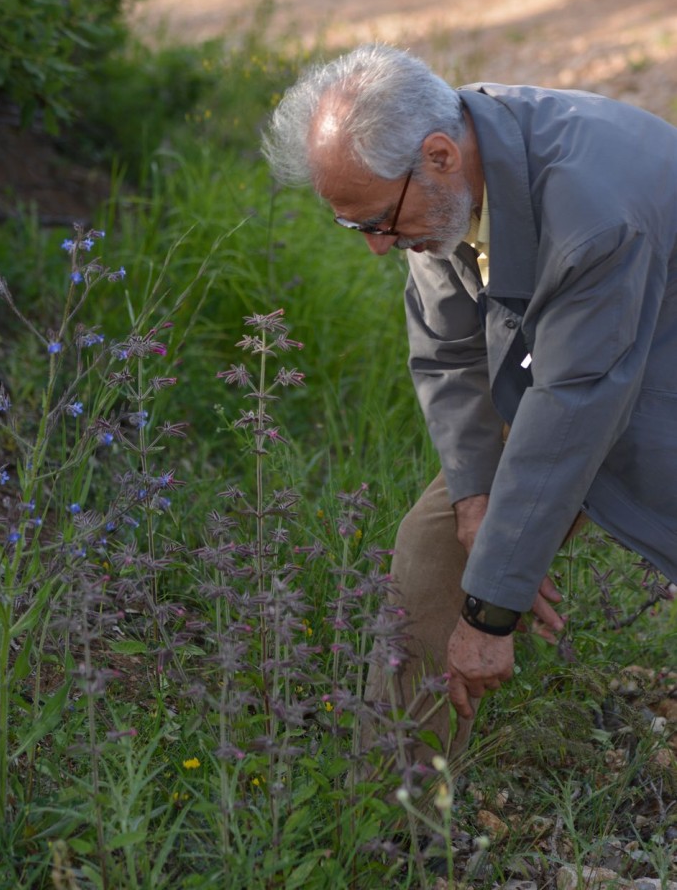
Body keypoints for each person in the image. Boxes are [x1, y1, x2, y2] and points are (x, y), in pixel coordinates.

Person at [262, 43, 677, 759]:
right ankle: (395, 825)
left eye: (378, 224)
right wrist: (476, 500)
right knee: (434, 544)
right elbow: (450, 353)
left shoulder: (593, 213)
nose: (376, 248)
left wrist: (489, 614)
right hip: (582, 365)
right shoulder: (440, 179)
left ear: (440, 156)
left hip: (646, 361)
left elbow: (571, 412)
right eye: (355, 226)